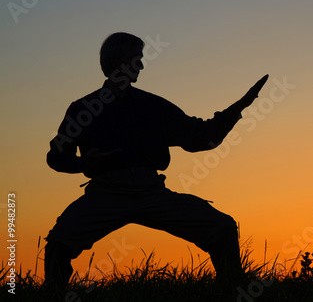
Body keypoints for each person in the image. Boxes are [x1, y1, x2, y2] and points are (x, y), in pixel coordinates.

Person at [44, 32, 268, 291]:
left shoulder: (153, 106)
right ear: (117, 62)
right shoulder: (83, 108)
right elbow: (57, 157)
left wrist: (236, 109)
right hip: (106, 194)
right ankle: (52, 293)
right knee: (59, 242)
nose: (141, 66)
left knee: (221, 227)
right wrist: (86, 164)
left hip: (152, 193)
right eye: (136, 59)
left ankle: (232, 289)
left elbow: (201, 138)